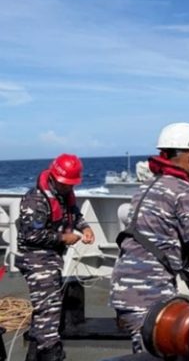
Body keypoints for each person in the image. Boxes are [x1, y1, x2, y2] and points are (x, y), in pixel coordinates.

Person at [109, 123, 189, 353]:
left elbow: (164, 238)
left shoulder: (147, 186)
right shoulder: (184, 191)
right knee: (154, 354)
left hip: (123, 286)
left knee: (146, 350)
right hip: (148, 292)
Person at [16, 154, 95, 361]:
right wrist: (63, 237)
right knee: (49, 308)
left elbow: (75, 215)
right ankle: (50, 352)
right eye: (64, 184)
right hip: (35, 258)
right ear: (53, 177)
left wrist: (85, 228)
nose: (68, 188)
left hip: (52, 257)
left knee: (47, 309)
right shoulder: (35, 200)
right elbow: (31, 235)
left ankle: (35, 352)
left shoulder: (64, 195)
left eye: (70, 185)